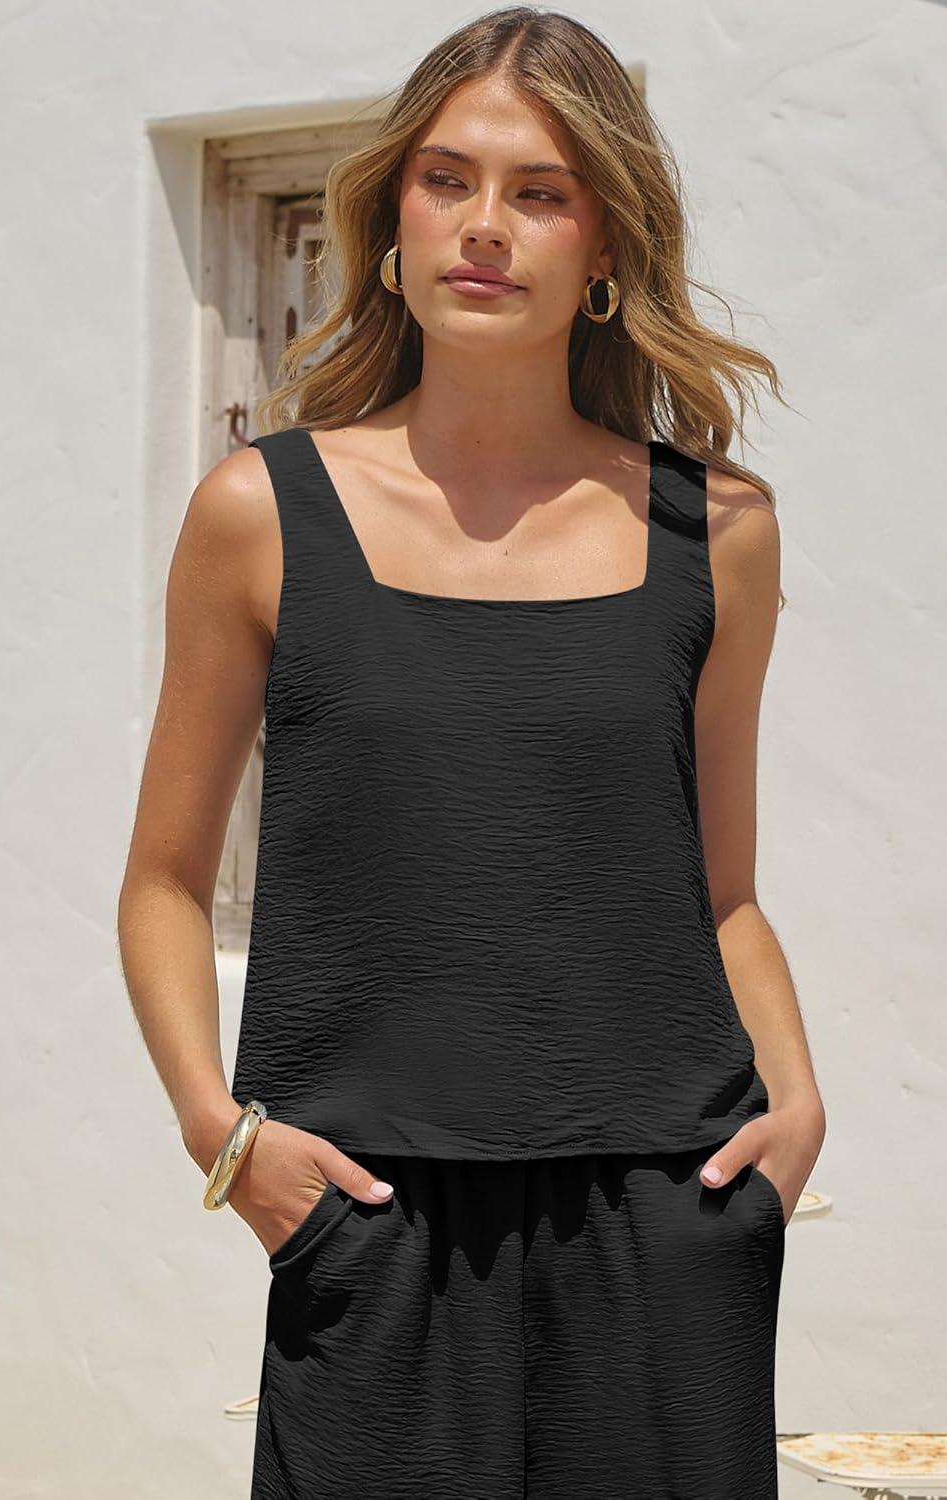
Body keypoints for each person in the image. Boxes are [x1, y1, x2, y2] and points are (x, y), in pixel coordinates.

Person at [117, 7, 826, 1496]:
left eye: (539, 192)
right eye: (446, 181)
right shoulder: (260, 514)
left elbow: (722, 892)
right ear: (392, 224)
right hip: (367, 1221)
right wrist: (223, 1137)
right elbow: (165, 882)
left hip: (664, 1214)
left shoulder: (718, 533)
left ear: (605, 244)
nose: (484, 226)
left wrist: (796, 1106)